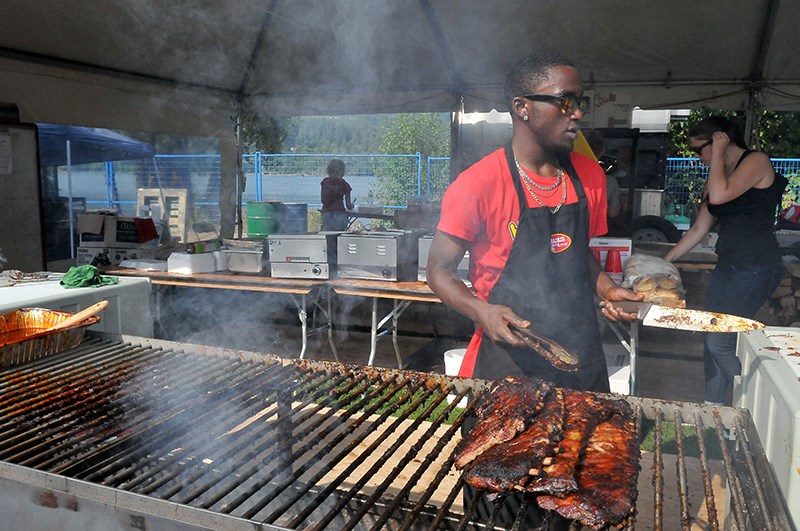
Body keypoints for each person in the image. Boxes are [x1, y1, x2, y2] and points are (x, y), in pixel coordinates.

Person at [427, 50, 641, 529]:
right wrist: (481, 311)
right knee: (500, 502)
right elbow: (438, 269)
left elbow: (578, 249)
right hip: (508, 368)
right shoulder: (477, 184)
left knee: (585, 494)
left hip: (581, 360)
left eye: (580, 101)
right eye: (566, 102)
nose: (578, 113)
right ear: (523, 107)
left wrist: (604, 286)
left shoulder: (590, 178)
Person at [664, 116, 787, 406]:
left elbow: (719, 197)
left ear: (719, 139)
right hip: (729, 267)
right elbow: (698, 229)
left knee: (718, 342)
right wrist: (665, 262)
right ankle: (715, 414)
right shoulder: (719, 174)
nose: (697, 158)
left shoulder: (757, 161)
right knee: (712, 338)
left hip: (756, 267)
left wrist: (717, 153)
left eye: (698, 150)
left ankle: (771, 404)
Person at [320, 158, 354, 231]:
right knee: (340, 238)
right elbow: (349, 206)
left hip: (327, 215)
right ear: (341, 171)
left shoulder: (325, 182)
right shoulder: (345, 185)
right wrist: (352, 206)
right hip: (340, 214)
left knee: (330, 239)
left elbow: (323, 200)